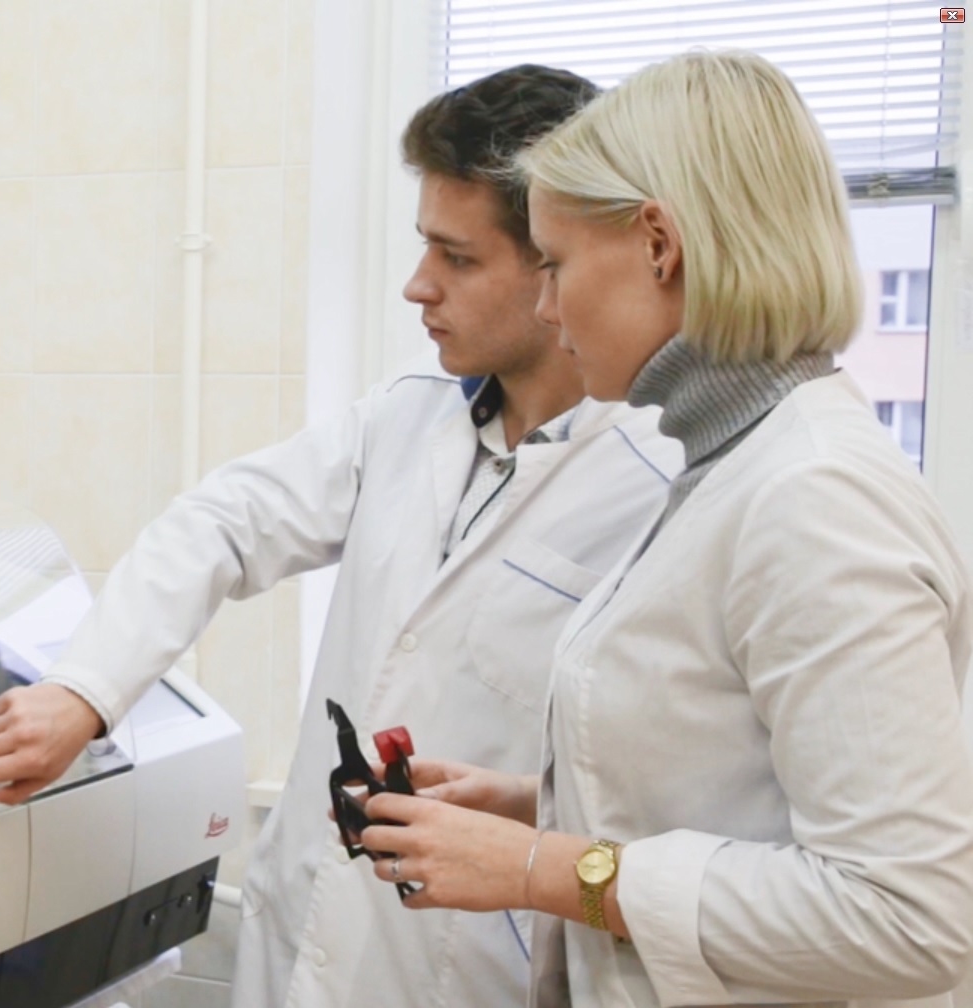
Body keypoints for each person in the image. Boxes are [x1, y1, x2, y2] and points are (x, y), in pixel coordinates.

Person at [0, 65, 683, 1007]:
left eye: (458, 259)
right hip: (307, 932)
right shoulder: (406, 417)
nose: (418, 287)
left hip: (474, 964)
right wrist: (85, 692)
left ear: (555, 260)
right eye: (424, 247)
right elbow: (223, 523)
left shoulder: (659, 476)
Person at [353, 50, 973, 1007]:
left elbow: (906, 917)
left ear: (658, 245)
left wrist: (544, 868)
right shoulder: (728, 460)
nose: (547, 305)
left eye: (555, 264)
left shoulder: (817, 496)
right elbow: (740, 784)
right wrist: (538, 805)